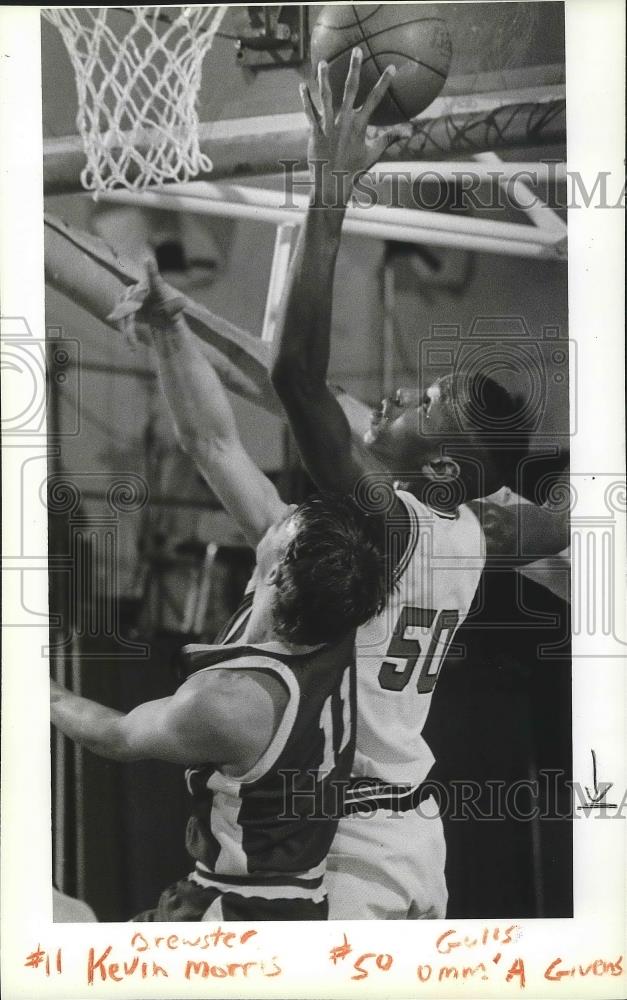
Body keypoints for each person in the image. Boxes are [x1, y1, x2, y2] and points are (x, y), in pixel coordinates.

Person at [269, 49, 570, 918]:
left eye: (423, 403)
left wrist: (331, 188)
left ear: (440, 465)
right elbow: (557, 519)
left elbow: (295, 377)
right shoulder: (477, 534)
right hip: (416, 834)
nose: (398, 393)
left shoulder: (388, 522)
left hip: (356, 837)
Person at [51, 274, 389, 920]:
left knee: (56, 923)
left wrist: (37, 690)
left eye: (281, 523)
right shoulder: (332, 608)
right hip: (283, 894)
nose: (273, 511)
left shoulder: (231, 704)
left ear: (272, 570)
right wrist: (170, 326)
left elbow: (117, 736)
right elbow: (212, 442)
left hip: (242, 915)